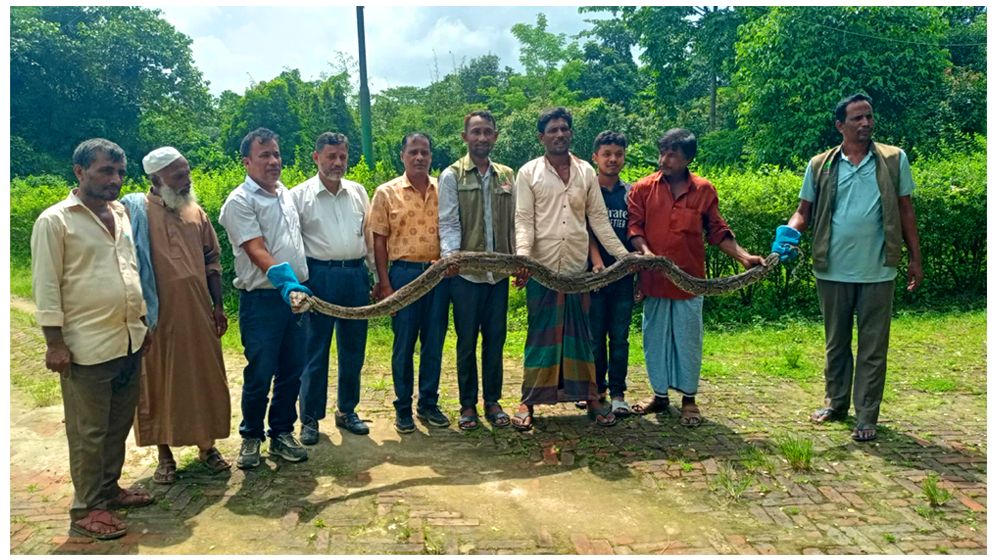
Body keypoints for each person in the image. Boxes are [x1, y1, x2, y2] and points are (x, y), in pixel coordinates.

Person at [771, 93, 922, 442]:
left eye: (869, 116)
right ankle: (836, 403)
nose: (866, 123)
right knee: (836, 343)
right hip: (832, 268)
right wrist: (788, 235)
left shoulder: (894, 159)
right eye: (857, 118)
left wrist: (915, 258)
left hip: (878, 270)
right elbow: (803, 211)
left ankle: (866, 415)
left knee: (873, 347)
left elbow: (905, 209)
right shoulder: (820, 165)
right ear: (840, 125)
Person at [31, 138, 153, 540]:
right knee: (89, 432)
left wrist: (141, 321)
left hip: (128, 338)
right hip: (86, 346)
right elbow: (46, 286)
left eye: (120, 172)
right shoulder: (56, 221)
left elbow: (129, 270)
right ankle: (86, 509)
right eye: (105, 171)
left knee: (117, 425)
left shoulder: (119, 213)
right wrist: (54, 343)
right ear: (80, 171)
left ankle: (109, 490)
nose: (115, 179)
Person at [629, 129, 763, 427]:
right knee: (654, 340)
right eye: (662, 153)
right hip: (654, 282)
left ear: (688, 159)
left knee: (688, 341)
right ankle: (659, 396)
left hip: (690, 283)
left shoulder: (703, 190)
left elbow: (717, 231)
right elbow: (634, 228)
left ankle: (689, 400)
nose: (664, 160)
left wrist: (744, 257)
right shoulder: (643, 188)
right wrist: (647, 254)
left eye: (672, 155)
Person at [512, 107, 630, 431]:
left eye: (564, 129)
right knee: (540, 338)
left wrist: (625, 258)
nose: (560, 134)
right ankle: (528, 401)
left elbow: (599, 221)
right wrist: (523, 259)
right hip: (542, 270)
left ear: (571, 134)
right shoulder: (529, 173)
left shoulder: (585, 172)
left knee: (582, 338)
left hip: (578, 272)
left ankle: (591, 397)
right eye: (553, 130)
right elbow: (523, 220)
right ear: (541, 137)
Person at [120, 147, 231, 485]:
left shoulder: (196, 212)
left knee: (203, 378)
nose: (187, 180)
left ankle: (207, 447)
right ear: (157, 178)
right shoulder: (133, 213)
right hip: (155, 317)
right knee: (158, 381)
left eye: (187, 172)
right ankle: (164, 455)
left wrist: (218, 306)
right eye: (178, 175)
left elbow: (212, 261)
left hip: (197, 313)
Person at [219, 128, 312, 469]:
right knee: (260, 371)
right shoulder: (240, 201)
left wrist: (297, 286)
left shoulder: (285, 194)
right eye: (264, 155)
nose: (273, 161)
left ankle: (282, 433)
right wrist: (286, 282)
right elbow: (255, 249)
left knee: (292, 370)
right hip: (262, 300)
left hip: (296, 298)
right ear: (247, 162)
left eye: (276, 154)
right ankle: (251, 437)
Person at [291, 133, 374, 443]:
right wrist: (298, 286)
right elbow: (293, 243)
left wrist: (375, 277)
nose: (338, 163)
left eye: (342, 157)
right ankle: (310, 418)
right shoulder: (298, 196)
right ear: (316, 158)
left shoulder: (358, 191)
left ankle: (347, 410)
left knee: (353, 348)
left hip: (354, 275)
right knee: (314, 350)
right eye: (331, 157)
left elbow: (368, 236)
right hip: (317, 278)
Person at [368, 133, 452, 433]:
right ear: (402, 155)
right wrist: (384, 284)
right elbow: (378, 241)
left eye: (424, 152)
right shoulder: (386, 192)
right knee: (403, 343)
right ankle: (403, 407)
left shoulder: (445, 189)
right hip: (402, 274)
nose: (419, 157)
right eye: (413, 152)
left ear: (431, 156)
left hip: (438, 275)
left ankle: (428, 403)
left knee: (434, 342)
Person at [438, 111, 516, 431]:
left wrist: (518, 261)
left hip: (499, 274)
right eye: (476, 132)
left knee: (495, 340)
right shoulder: (451, 176)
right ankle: (468, 404)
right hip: (466, 275)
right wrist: (451, 259)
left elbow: (513, 223)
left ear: (495, 136)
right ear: (465, 137)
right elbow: (448, 222)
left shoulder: (507, 175)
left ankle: (493, 401)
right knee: (467, 341)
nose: (482, 138)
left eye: (487, 132)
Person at [580, 131, 636, 417]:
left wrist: (638, 273)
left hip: (624, 278)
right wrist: (597, 261)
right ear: (595, 157)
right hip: (595, 277)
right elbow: (586, 230)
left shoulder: (632, 193)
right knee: (594, 337)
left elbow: (637, 232)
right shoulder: (588, 191)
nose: (613, 159)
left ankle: (618, 394)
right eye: (607, 154)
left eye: (618, 154)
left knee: (620, 337)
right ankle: (595, 391)